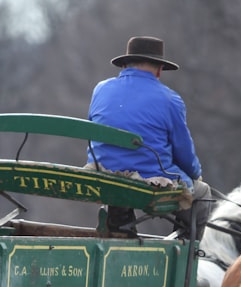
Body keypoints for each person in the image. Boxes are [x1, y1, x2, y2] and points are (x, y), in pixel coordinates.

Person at [86, 36, 212, 238]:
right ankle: (186, 254)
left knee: (118, 172)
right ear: (159, 70)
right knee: (203, 192)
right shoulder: (170, 99)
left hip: (104, 172)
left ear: (125, 64)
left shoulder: (101, 89)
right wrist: (195, 174)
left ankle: (119, 228)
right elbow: (183, 151)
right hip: (148, 179)